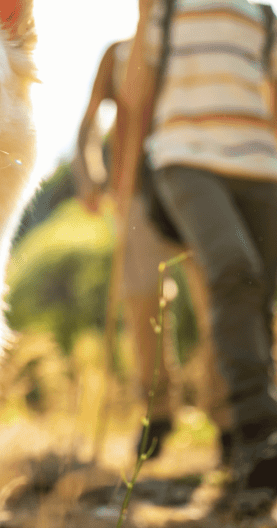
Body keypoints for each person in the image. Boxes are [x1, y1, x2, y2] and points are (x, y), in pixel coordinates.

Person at [111, 0, 277, 493]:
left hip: (261, 167)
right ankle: (258, 430)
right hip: (185, 159)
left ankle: (256, 448)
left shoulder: (262, 16)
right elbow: (134, 96)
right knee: (233, 271)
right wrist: (143, 20)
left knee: (258, 298)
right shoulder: (169, 8)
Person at [73, 39, 233, 464]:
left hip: (201, 186)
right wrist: (90, 169)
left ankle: (228, 418)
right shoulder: (120, 53)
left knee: (215, 301)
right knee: (142, 299)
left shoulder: (195, 43)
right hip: (138, 193)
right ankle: (158, 413)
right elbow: (90, 121)